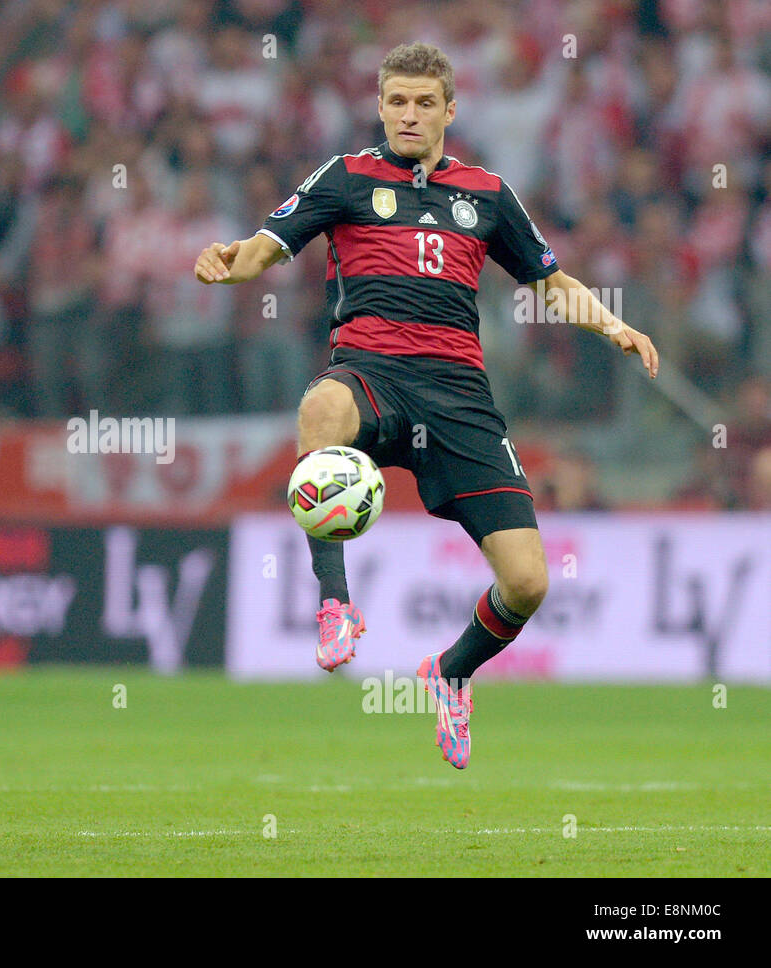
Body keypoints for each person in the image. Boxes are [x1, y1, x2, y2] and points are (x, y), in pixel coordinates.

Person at [194, 42, 658, 769]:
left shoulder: (489, 193)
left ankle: (452, 673)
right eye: (396, 101)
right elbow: (265, 245)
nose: (408, 114)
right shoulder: (344, 178)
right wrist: (229, 259)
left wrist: (613, 324)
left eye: (423, 102)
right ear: (380, 105)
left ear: (450, 109)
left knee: (529, 582)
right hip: (372, 371)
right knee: (321, 411)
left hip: (459, 394)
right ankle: (334, 603)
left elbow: (549, 278)